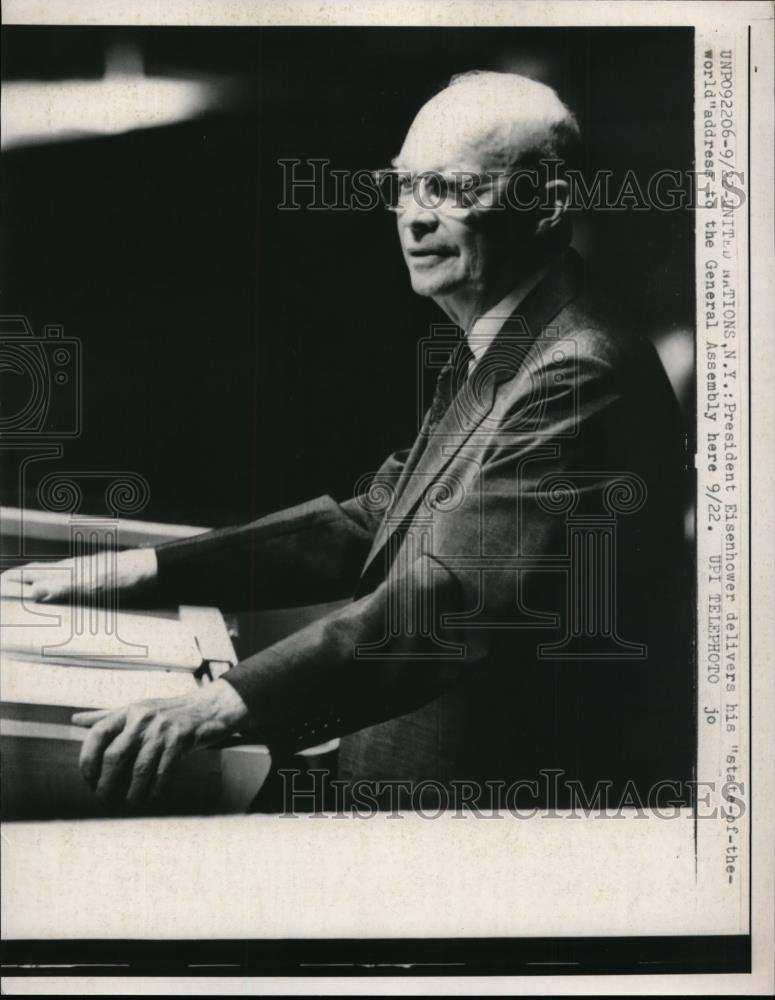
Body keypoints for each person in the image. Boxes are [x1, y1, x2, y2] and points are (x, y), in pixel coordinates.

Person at [2, 71, 693, 812]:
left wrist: (216, 704)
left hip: (477, 823)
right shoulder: (509, 337)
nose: (413, 218)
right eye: (403, 185)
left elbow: (451, 600)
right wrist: (134, 571)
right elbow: (372, 518)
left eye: (451, 188)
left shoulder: (577, 369)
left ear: (548, 204)